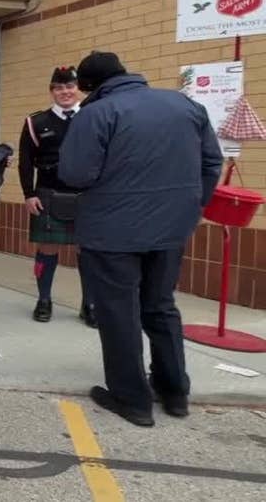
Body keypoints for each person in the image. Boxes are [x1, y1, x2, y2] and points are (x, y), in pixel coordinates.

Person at [59, 51, 223, 427]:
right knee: (161, 305)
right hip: (171, 229)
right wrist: (191, 206)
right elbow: (211, 163)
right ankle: (174, 391)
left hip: (111, 231)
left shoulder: (97, 113)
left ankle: (131, 399)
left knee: (119, 312)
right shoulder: (184, 105)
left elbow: (76, 173)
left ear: (88, 86)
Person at [17, 66, 93, 325]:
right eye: (59, 88)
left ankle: (90, 304)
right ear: (52, 91)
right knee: (47, 249)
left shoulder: (93, 117)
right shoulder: (36, 122)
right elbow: (25, 162)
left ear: (77, 89)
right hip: (49, 193)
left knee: (90, 251)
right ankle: (44, 300)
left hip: (87, 195)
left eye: (70, 86)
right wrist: (29, 194)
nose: (65, 92)